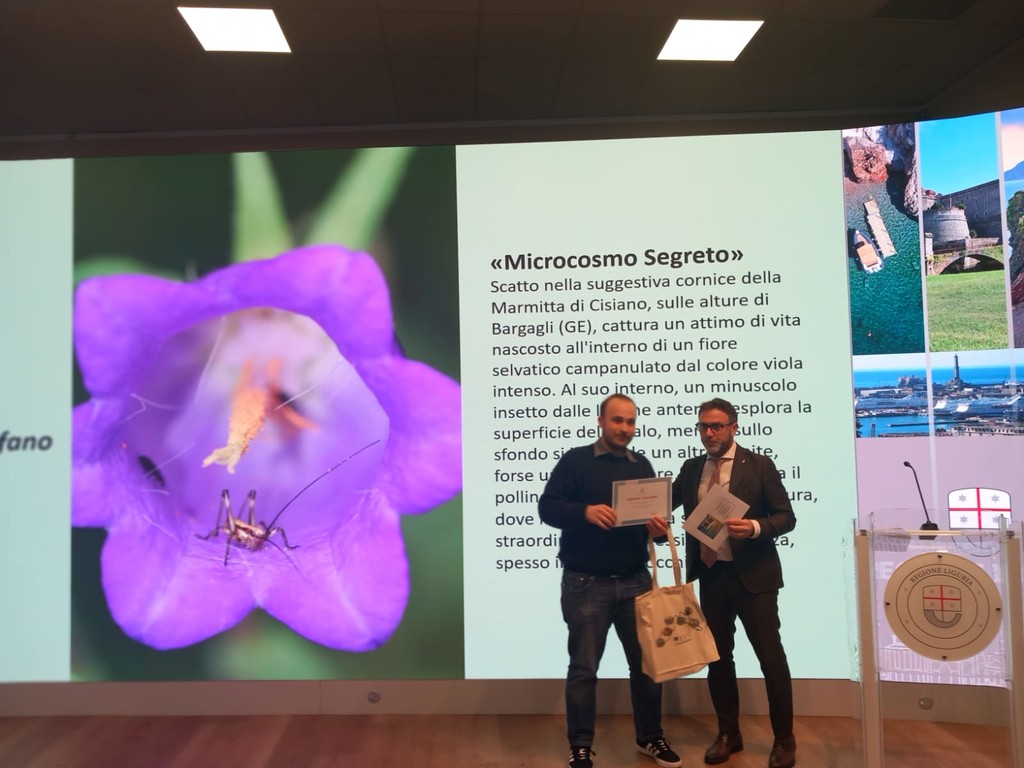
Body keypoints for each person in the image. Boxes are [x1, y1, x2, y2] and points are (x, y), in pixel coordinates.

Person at [539, 393, 683, 768]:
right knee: (584, 671)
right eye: (618, 420)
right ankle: (580, 745)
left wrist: (657, 530)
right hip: (586, 583)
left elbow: (649, 525)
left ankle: (649, 737)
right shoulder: (575, 461)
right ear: (601, 421)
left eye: (631, 421)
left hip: (636, 581)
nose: (625, 428)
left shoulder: (642, 465)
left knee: (647, 667)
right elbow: (547, 507)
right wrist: (584, 512)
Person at [671, 398, 797, 768]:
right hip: (712, 576)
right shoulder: (691, 468)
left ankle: (784, 740)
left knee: (770, 659)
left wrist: (755, 527)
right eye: (703, 426)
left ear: (733, 427)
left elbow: (786, 517)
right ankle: (729, 734)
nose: (709, 433)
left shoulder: (758, 465)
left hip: (754, 577)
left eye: (717, 426)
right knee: (719, 659)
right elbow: (664, 506)